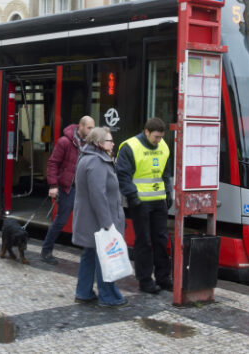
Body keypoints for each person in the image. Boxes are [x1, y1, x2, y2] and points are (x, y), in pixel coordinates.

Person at [116, 117, 173, 294]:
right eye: (155, 137)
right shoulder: (130, 147)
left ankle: (164, 278)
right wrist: (132, 195)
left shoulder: (163, 146)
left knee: (162, 240)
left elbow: (165, 173)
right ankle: (145, 280)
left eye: (161, 137)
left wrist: (168, 192)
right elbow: (123, 174)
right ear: (146, 132)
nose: (158, 141)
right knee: (144, 242)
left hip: (158, 201)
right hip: (140, 202)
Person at [72, 126, 127, 308]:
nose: (113, 144)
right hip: (98, 221)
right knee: (105, 256)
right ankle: (108, 296)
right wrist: (107, 224)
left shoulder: (87, 158)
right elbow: (98, 194)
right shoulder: (97, 162)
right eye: (110, 141)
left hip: (89, 219)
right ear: (99, 143)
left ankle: (83, 292)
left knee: (89, 254)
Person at [40, 116, 95, 265]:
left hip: (83, 189)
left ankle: (89, 253)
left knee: (86, 220)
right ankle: (46, 250)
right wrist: (53, 185)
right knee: (61, 221)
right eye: (89, 128)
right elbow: (53, 163)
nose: (92, 131)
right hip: (67, 189)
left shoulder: (90, 143)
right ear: (81, 126)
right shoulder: (65, 142)